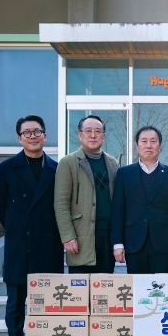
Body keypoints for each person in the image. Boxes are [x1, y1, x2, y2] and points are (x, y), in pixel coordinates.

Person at [0, 115, 63, 336]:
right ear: (19, 138)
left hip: (49, 243)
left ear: (45, 135)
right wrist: (16, 226)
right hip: (20, 243)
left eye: (37, 131)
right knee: (16, 300)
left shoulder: (56, 169)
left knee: (50, 299)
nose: (33, 136)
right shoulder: (7, 168)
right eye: (27, 132)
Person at [111, 126, 168, 274]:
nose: (149, 145)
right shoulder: (124, 173)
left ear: (160, 145)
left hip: (163, 244)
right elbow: (118, 210)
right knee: (137, 286)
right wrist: (117, 243)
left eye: (153, 141)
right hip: (133, 242)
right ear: (137, 145)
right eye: (144, 141)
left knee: (163, 286)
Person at [54, 115, 119, 274]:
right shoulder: (68, 163)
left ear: (104, 136)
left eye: (98, 131)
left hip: (107, 236)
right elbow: (61, 203)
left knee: (105, 285)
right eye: (88, 131)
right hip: (81, 234)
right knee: (80, 285)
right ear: (80, 135)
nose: (93, 135)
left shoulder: (113, 163)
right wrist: (68, 236)